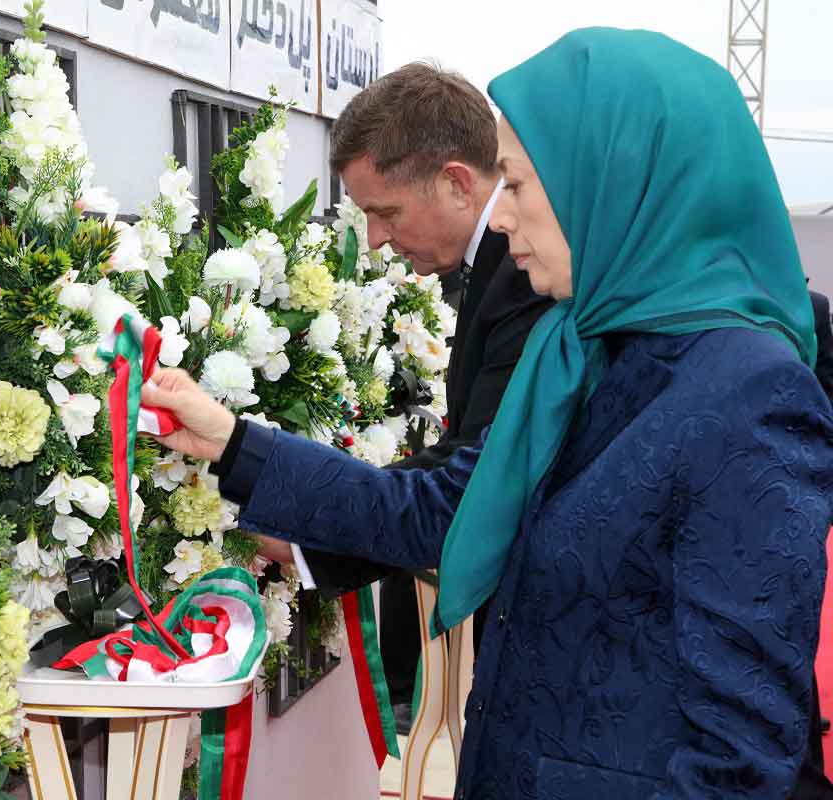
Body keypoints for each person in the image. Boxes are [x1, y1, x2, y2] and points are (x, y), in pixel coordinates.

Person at [144, 28, 833, 798]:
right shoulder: (582, 350)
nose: (500, 220)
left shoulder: (746, 393)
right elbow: (456, 507)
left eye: (519, 185)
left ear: (613, 184)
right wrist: (230, 443)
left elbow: (741, 753)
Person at [265, 62, 551, 728]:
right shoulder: (493, 271)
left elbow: (475, 483)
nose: (376, 239)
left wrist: (307, 527)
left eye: (383, 211)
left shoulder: (526, 277)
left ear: (454, 182)